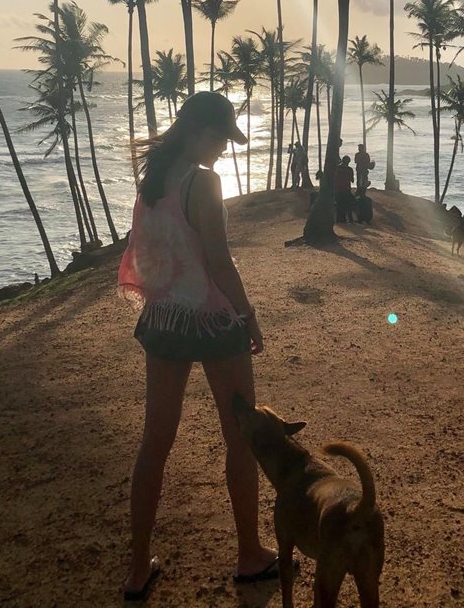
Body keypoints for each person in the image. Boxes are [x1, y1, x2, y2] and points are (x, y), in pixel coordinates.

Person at [119, 91, 278, 600]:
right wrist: (250, 318)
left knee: (154, 444)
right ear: (200, 131)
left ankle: (138, 568)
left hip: (164, 319)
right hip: (212, 322)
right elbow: (220, 264)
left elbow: (152, 254)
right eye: (221, 139)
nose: (224, 151)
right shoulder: (202, 182)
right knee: (241, 438)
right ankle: (250, 554)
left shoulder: (153, 181)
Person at [334, 155, 356, 223]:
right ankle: (350, 220)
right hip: (346, 188)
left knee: (339, 204)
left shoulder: (337, 168)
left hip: (338, 189)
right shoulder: (349, 169)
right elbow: (352, 180)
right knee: (348, 204)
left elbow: (334, 178)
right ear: (348, 162)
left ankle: (339, 219)